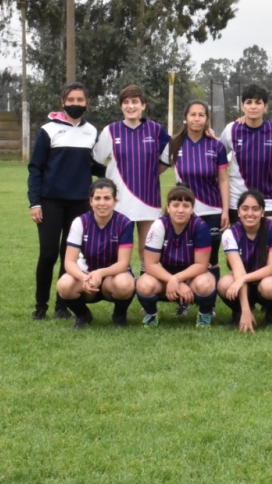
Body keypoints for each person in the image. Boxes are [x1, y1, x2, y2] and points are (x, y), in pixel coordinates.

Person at [27, 82, 105, 320]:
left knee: (68, 257)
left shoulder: (92, 132)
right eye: (71, 100)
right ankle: (41, 306)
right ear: (63, 102)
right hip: (50, 203)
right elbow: (36, 168)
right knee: (48, 254)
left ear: (87, 103)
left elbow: (97, 166)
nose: (75, 104)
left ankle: (63, 306)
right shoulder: (48, 130)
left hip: (80, 204)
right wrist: (35, 203)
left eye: (80, 100)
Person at [92, 84, 171, 272]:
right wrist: (113, 178)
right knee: (119, 250)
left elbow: (169, 156)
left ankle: (146, 289)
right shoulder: (110, 131)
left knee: (148, 250)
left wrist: (149, 172)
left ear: (143, 105)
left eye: (135, 102)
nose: (130, 106)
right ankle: (123, 285)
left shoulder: (156, 130)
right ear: (121, 107)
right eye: (126, 102)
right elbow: (96, 160)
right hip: (119, 201)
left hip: (148, 200)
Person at [168, 100, 229, 316]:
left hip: (211, 211)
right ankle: (183, 301)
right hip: (183, 213)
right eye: (192, 114)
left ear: (206, 119)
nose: (196, 119)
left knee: (210, 259)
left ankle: (208, 304)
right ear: (185, 117)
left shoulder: (216, 146)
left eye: (201, 115)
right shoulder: (174, 144)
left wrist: (225, 210)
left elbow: (223, 180)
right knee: (185, 259)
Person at [57, 178, 136, 328]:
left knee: (125, 284)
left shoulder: (124, 223)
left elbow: (123, 263)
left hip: (112, 278)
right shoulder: (80, 222)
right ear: (91, 201)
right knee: (64, 284)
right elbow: (69, 262)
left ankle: (119, 316)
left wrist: (100, 273)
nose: (102, 203)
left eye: (107, 198)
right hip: (86, 277)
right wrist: (84, 277)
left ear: (115, 201)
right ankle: (83, 315)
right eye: (97, 198)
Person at [135, 185, 216, 327]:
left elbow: (201, 265)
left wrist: (178, 280)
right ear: (168, 207)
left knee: (206, 283)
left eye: (186, 206)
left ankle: (204, 315)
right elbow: (150, 265)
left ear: (192, 209)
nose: (180, 210)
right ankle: (151, 315)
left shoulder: (200, 227)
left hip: (191, 277)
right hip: (165, 277)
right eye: (176, 205)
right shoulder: (159, 225)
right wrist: (172, 280)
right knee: (144, 284)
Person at [219, 84, 272, 223]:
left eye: (258, 102)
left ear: (265, 107)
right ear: (242, 107)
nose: (253, 106)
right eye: (249, 102)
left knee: (269, 242)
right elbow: (216, 157)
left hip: (268, 199)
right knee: (241, 244)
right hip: (238, 199)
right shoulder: (231, 129)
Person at [218, 189, 272, 333]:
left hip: (267, 278)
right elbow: (238, 271)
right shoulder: (230, 234)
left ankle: (271, 313)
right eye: (245, 208)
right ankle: (238, 314)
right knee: (224, 284)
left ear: (262, 212)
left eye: (255, 209)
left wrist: (242, 280)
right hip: (243, 278)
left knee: (270, 285)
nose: (250, 214)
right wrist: (245, 310)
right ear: (238, 212)